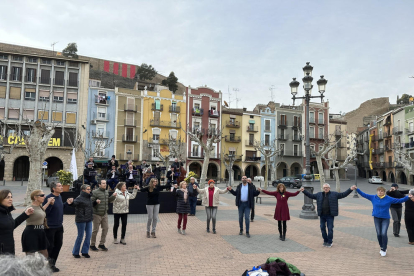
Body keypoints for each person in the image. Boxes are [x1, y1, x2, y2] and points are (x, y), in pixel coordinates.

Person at [357, 186, 409, 256]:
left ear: (384, 192)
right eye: (378, 191)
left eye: (381, 191)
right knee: (379, 234)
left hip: (385, 218)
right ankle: (381, 246)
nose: (380, 192)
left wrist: (408, 196)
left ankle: (384, 248)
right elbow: (364, 195)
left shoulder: (388, 198)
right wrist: (357, 189)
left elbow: (399, 200)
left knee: (383, 233)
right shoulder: (373, 197)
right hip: (376, 218)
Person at [302, 183, 356, 247]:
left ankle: (330, 242)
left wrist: (350, 189)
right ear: (323, 188)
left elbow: (343, 194)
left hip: (330, 215)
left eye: (327, 187)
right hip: (322, 215)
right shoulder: (319, 194)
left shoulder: (334, 194)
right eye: (324, 187)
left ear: (329, 188)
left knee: (330, 228)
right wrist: (304, 191)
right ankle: (325, 240)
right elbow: (311, 195)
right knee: (322, 228)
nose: (326, 188)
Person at [43, 183, 74, 272]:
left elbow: (60, 208)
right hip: (50, 227)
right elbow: (45, 213)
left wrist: (67, 203)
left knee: (58, 245)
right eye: (59, 186)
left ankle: (52, 264)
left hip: (59, 226)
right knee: (50, 247)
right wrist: (50, 204)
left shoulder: (59, 197)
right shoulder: (49, 198)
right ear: (53, 188)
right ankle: (48, 265)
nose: (61, 187)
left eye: (61, 186)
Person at [0, 189, 34, 255]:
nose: (11, 199)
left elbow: (12, 225)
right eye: (8, 197)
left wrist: (25, 214)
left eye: (11, 197)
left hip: (9, 248)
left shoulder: (7, 212)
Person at [21, 190, 54, 258]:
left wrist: (48, 203)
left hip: (40, 232)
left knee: (45, 256)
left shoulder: (39, 207)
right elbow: (23, 216)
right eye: (42, 195)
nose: (44, 197)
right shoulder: (29, 208)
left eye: (44, 195)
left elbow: (41, 212)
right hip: (31, 233)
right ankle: (30, 269)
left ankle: (42, 268)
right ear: (35, 197)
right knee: (30, 257)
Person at [90, 180, 116, 252]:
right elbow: (91, 203)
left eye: (106, 183)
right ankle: (92, 245)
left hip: (104, 214)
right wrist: (96, 202)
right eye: (103, 183)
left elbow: (108, 201)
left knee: (106, 228)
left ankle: (101, 244)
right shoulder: (95, 192)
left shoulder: (106, 192)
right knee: (95, 230)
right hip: (96, 214)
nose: (105, 184)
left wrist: (113, 196)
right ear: (99, 185)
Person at [72, 184, 95, 258]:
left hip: (89, 219)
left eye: (90, 189)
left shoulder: (89, 197)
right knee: (80, 236)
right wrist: (71, 203)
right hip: (81, 220)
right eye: (88, 189)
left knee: (88, 235)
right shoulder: (79, 198)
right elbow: (74, 203)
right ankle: (75, 252)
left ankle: (85, 251)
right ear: (83, 190)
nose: (89, 190)